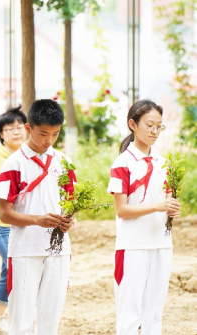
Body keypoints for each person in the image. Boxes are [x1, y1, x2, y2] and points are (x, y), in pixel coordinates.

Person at [0, 99, 75, 334]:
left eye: (55, 134)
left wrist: (70, 219)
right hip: (25, 250)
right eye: (43, 134)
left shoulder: (64, 162)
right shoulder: (13, 164)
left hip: (59, 250)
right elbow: (5, 214)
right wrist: (36, 220)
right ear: (29, 129)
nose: (48, 140)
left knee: (51, 318)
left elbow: (71, 204)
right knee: (21, 319)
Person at [107, 99, 180, 334]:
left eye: (159, 126)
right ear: (132, 124)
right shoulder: (123, 163)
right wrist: (158, 206)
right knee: (129, 314)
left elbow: (167, 202)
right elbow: (122, 210)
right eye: (149, 125)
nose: (154, 131)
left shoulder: (164, 164)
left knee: (154, 314)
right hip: (132, 246)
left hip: (161, 244)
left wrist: (172, 209)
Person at [0, 106, 27, 333]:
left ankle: (7, 318)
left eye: (19, 127)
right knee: (12, 267)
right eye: (10, 129)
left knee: (12, 268)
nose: (16, 132)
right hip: (0, 226)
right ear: (1, 134)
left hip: (24, 225)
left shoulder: (28, 155)